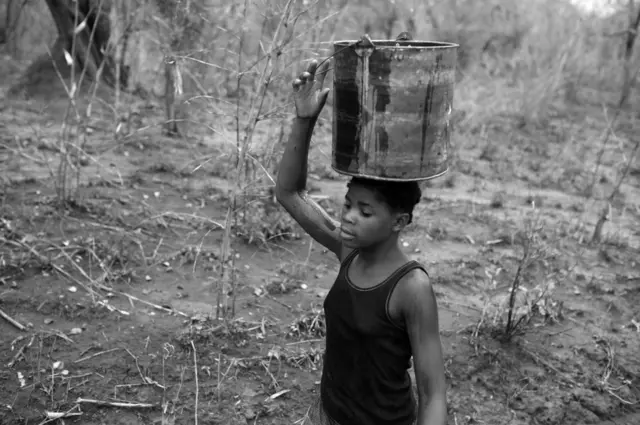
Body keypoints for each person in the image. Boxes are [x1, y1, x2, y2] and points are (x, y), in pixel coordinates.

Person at [275, 58, 448, 425]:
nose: (349, 216)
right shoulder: (348, 250)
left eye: (365, 212)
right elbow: (289, 193)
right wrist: (304, 119)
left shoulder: (411, 288)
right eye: (348, 204)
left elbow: (433, 395)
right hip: (331, 415)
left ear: (399, 221)